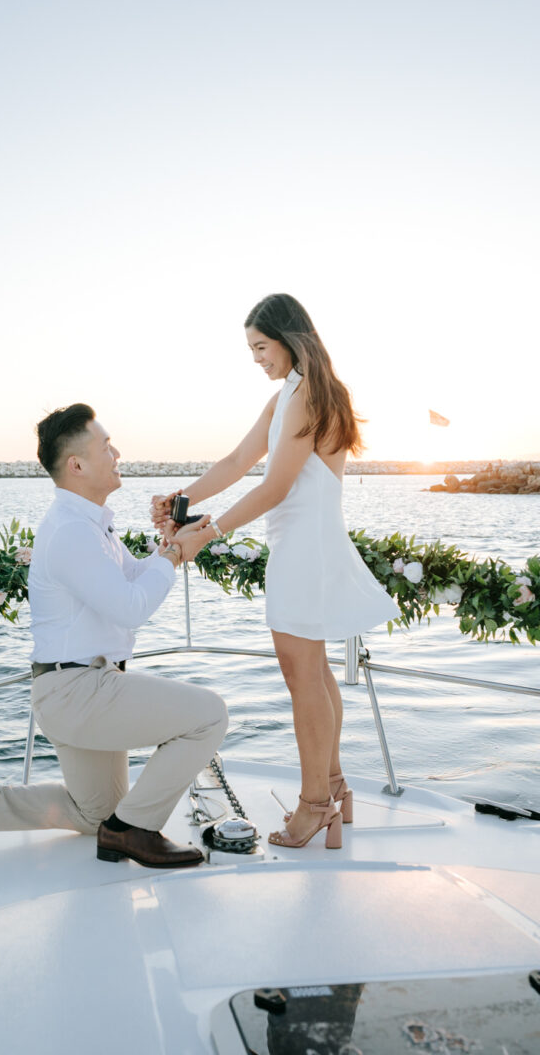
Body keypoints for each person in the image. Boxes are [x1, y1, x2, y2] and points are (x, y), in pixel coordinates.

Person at [0, 403, 228, 869]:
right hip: (80, 691)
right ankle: (135, 832)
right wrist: (174, 556)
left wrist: (168, 544)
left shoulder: (87, 525)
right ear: (77, 465)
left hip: (74, 689)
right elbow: (131, 608)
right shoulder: (73, 531)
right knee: (209, 715)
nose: (117, 452)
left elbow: (131, 579)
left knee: (95, 813)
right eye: (106, 446)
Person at [151, 295, 397, 850]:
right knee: (315, 671)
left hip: (304, 546)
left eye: (261, 347)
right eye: (251, 349)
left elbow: (275, 487)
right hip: (304, 542)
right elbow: (238, 462)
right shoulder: (290, 391)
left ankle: (315, 806)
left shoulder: (307, 392)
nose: (256, 358)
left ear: (289, 338)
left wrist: (205, 536)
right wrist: (180, 499)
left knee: (302, 676)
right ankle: (334, 789)